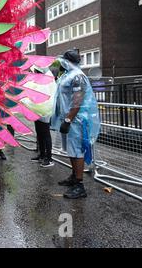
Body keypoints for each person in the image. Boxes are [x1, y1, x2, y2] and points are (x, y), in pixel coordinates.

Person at [51, 49, 100, 199]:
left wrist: (68, 120)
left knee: (77, 150)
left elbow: (77, 101)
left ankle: (80, 185)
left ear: (67, 61)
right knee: (71, 150)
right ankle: (74, 176)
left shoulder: (77, 76)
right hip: (69, 119)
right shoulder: (67, 74)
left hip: (76, 120)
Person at [23, 67, 57, 168]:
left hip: (44, 112)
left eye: (36, 71)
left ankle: (48, 158)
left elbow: (45, 95)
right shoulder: (39, 81)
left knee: (45, 134)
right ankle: (41, 155)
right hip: (37, 111)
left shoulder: (47, 81)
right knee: (39, 133)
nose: (34, 73)